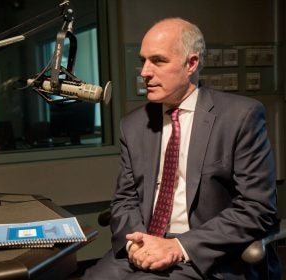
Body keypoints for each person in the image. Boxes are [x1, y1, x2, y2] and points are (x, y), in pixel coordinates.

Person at [83, 17, 280, 279]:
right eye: (143, 60)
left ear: (191, 64)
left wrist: (178, 246)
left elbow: (257, 209)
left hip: (207, 254)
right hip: (144, 243)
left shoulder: (240, 116)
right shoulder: (133, 125)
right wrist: (135, 243)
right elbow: (124, 200)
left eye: (158, 61)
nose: (144, 72)